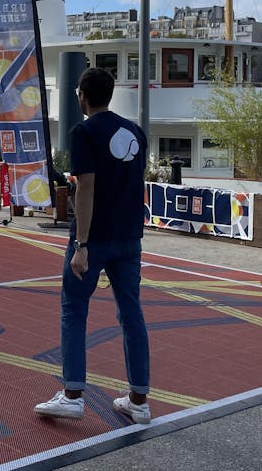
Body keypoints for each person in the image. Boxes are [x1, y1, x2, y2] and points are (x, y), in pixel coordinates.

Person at [34, 67, 151, 423]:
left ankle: (72, 395)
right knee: (131, 315)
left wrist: (81, 244)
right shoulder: (135, 132)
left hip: (94, 237)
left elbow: (86, 189)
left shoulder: (83, 132)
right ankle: (139, 401)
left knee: (74, 311)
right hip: (130, 237)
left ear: (83, 95)